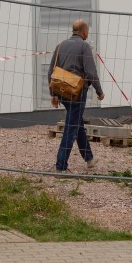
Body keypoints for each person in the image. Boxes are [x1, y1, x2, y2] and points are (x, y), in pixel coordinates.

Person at [50, 19, 104, 172]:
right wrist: (99, 91)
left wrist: (53, 94)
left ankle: (89, 158)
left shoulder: (60, 46)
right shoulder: (84, 46)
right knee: (71, 128)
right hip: (77, 92)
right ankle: (61, 166)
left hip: (62, 91)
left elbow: (51, 71)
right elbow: (91, 72)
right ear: (84, 32)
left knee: (76, 122)